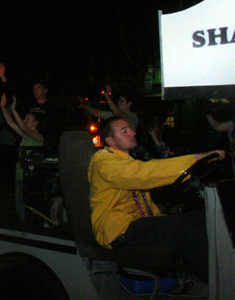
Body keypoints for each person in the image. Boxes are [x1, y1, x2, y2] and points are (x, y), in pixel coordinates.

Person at [89, 116, 225, 281]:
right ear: (110, 141)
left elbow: (145, 199)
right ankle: (218, 282)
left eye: (130, 128)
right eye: (124, 131)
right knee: (192, 224)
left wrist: (162, 217)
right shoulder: (103, 161)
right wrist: (195, 159)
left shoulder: (126, 160)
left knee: (199, 218)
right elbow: (143, 173)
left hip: (137, 224)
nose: (133, 132)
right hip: (118, 231)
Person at [0, 94, 44, 222]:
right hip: (20, 174)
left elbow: (23, 127)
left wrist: (14, 110)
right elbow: (11, 123)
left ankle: (29, 227)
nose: (25, 120)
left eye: (28, 119)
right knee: (19, 206)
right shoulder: (26, 136)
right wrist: (3, 107)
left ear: (36, 123)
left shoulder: (37, 137)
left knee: (26, 206)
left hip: (29, 176)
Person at [0, 63, 62, 149]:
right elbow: (14, 94)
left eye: (38, 87)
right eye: (34, 87)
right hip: (28, 136)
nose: (35, 89)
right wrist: (3, 78)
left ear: (45, 90)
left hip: (43, 142)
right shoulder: (30, 103)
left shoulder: (51, 107)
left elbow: (55, 128)